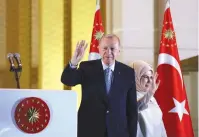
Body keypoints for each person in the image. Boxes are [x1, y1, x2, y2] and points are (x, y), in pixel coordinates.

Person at [61, 34, 138, 137]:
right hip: (90, 131)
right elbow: (67, 80)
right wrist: (74, 62)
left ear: (119, 51)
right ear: (99, 49)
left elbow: (132, 110)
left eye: (112, 48)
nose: (108, 52)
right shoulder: (87, 68)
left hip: (118, 132)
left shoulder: (128, 72)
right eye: (105, 48)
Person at [129, 60, 167, 137]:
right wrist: (150, 93)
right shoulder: (126, 96)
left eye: (151, 77)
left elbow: (160, 125)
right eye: (145, 77)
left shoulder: (152, 99)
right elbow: (135, 108)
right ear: (135, 77)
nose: (150, 81)